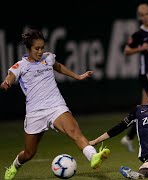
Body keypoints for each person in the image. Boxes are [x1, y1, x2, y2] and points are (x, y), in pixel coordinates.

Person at [1, 28, 110, 180]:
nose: (40, 51)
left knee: (74, 131)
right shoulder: (20, 66)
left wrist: (77, 76)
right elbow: (10, 77)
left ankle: (93, 156)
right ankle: (14, 167)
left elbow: (58, 66)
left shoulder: (48, 58)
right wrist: (6, 83)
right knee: (29, 153)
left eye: (42, 48)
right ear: (29, 48)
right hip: (35, 112)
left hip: (56, 105)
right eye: (36, 48)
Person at [121, 3, 148, 152]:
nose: (145, 16)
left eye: (147, 13)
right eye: (142, 14)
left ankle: (129, 137)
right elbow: (126, 50)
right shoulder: (138, 34)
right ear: (139, 17)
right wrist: (140, 48)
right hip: (146, 74)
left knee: (146, 109)